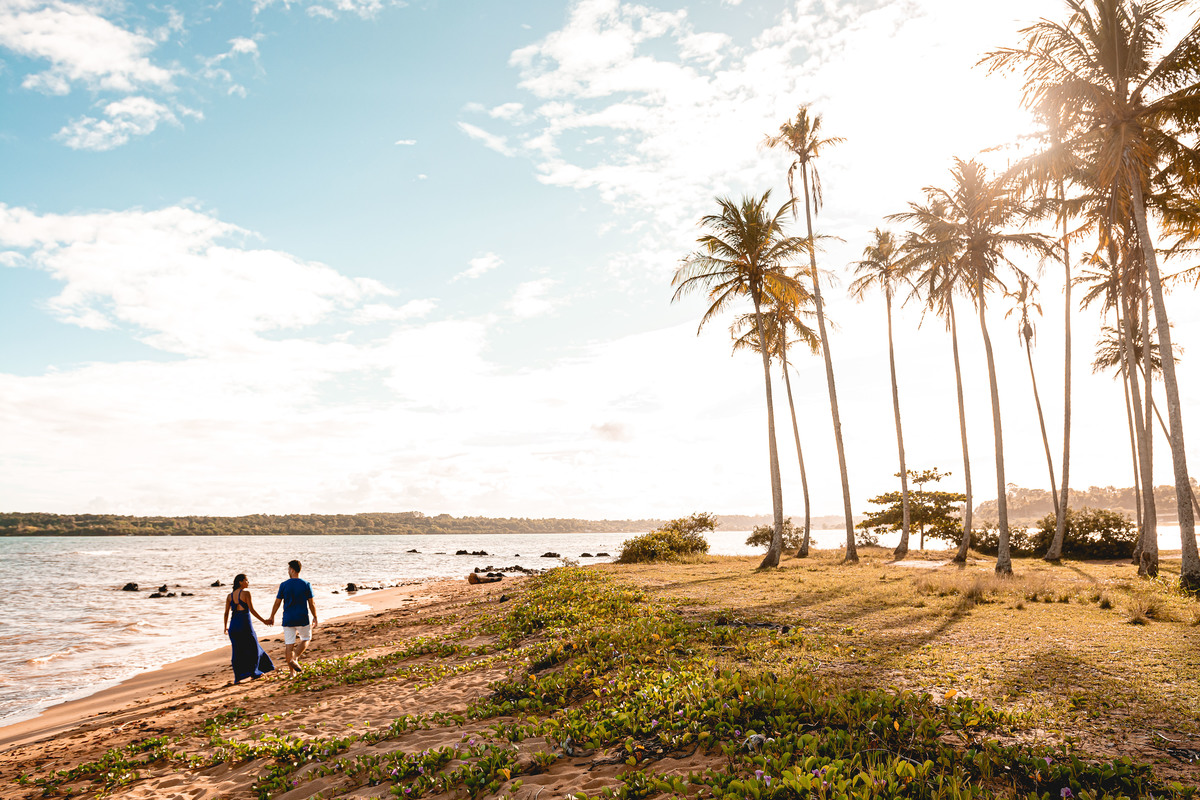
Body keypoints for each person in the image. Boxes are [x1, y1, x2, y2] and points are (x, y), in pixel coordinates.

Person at [223, 573, 275, 684]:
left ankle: (238, 677)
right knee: (253, 647)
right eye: (246, 580)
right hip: (244, 625)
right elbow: (252, 610)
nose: (248, 582)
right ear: (240, 582)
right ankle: (254, 672)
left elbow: (226, 613)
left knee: (237, 651)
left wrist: (225, 627)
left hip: (233, 626)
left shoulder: (229, 596)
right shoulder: (246, 593)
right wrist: (264, 621)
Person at [267, 559, 317, 674]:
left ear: (292, 570)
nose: (288, 571)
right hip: (302, 617)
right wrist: (315, 616)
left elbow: (277, 602)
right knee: (306, 638)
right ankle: (294, 658)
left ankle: (291, 673)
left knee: (289, 645)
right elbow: (311, 603)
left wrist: (272, 616)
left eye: (289, 569)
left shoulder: (284, 585)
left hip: (288, 618)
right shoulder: (306, 584)